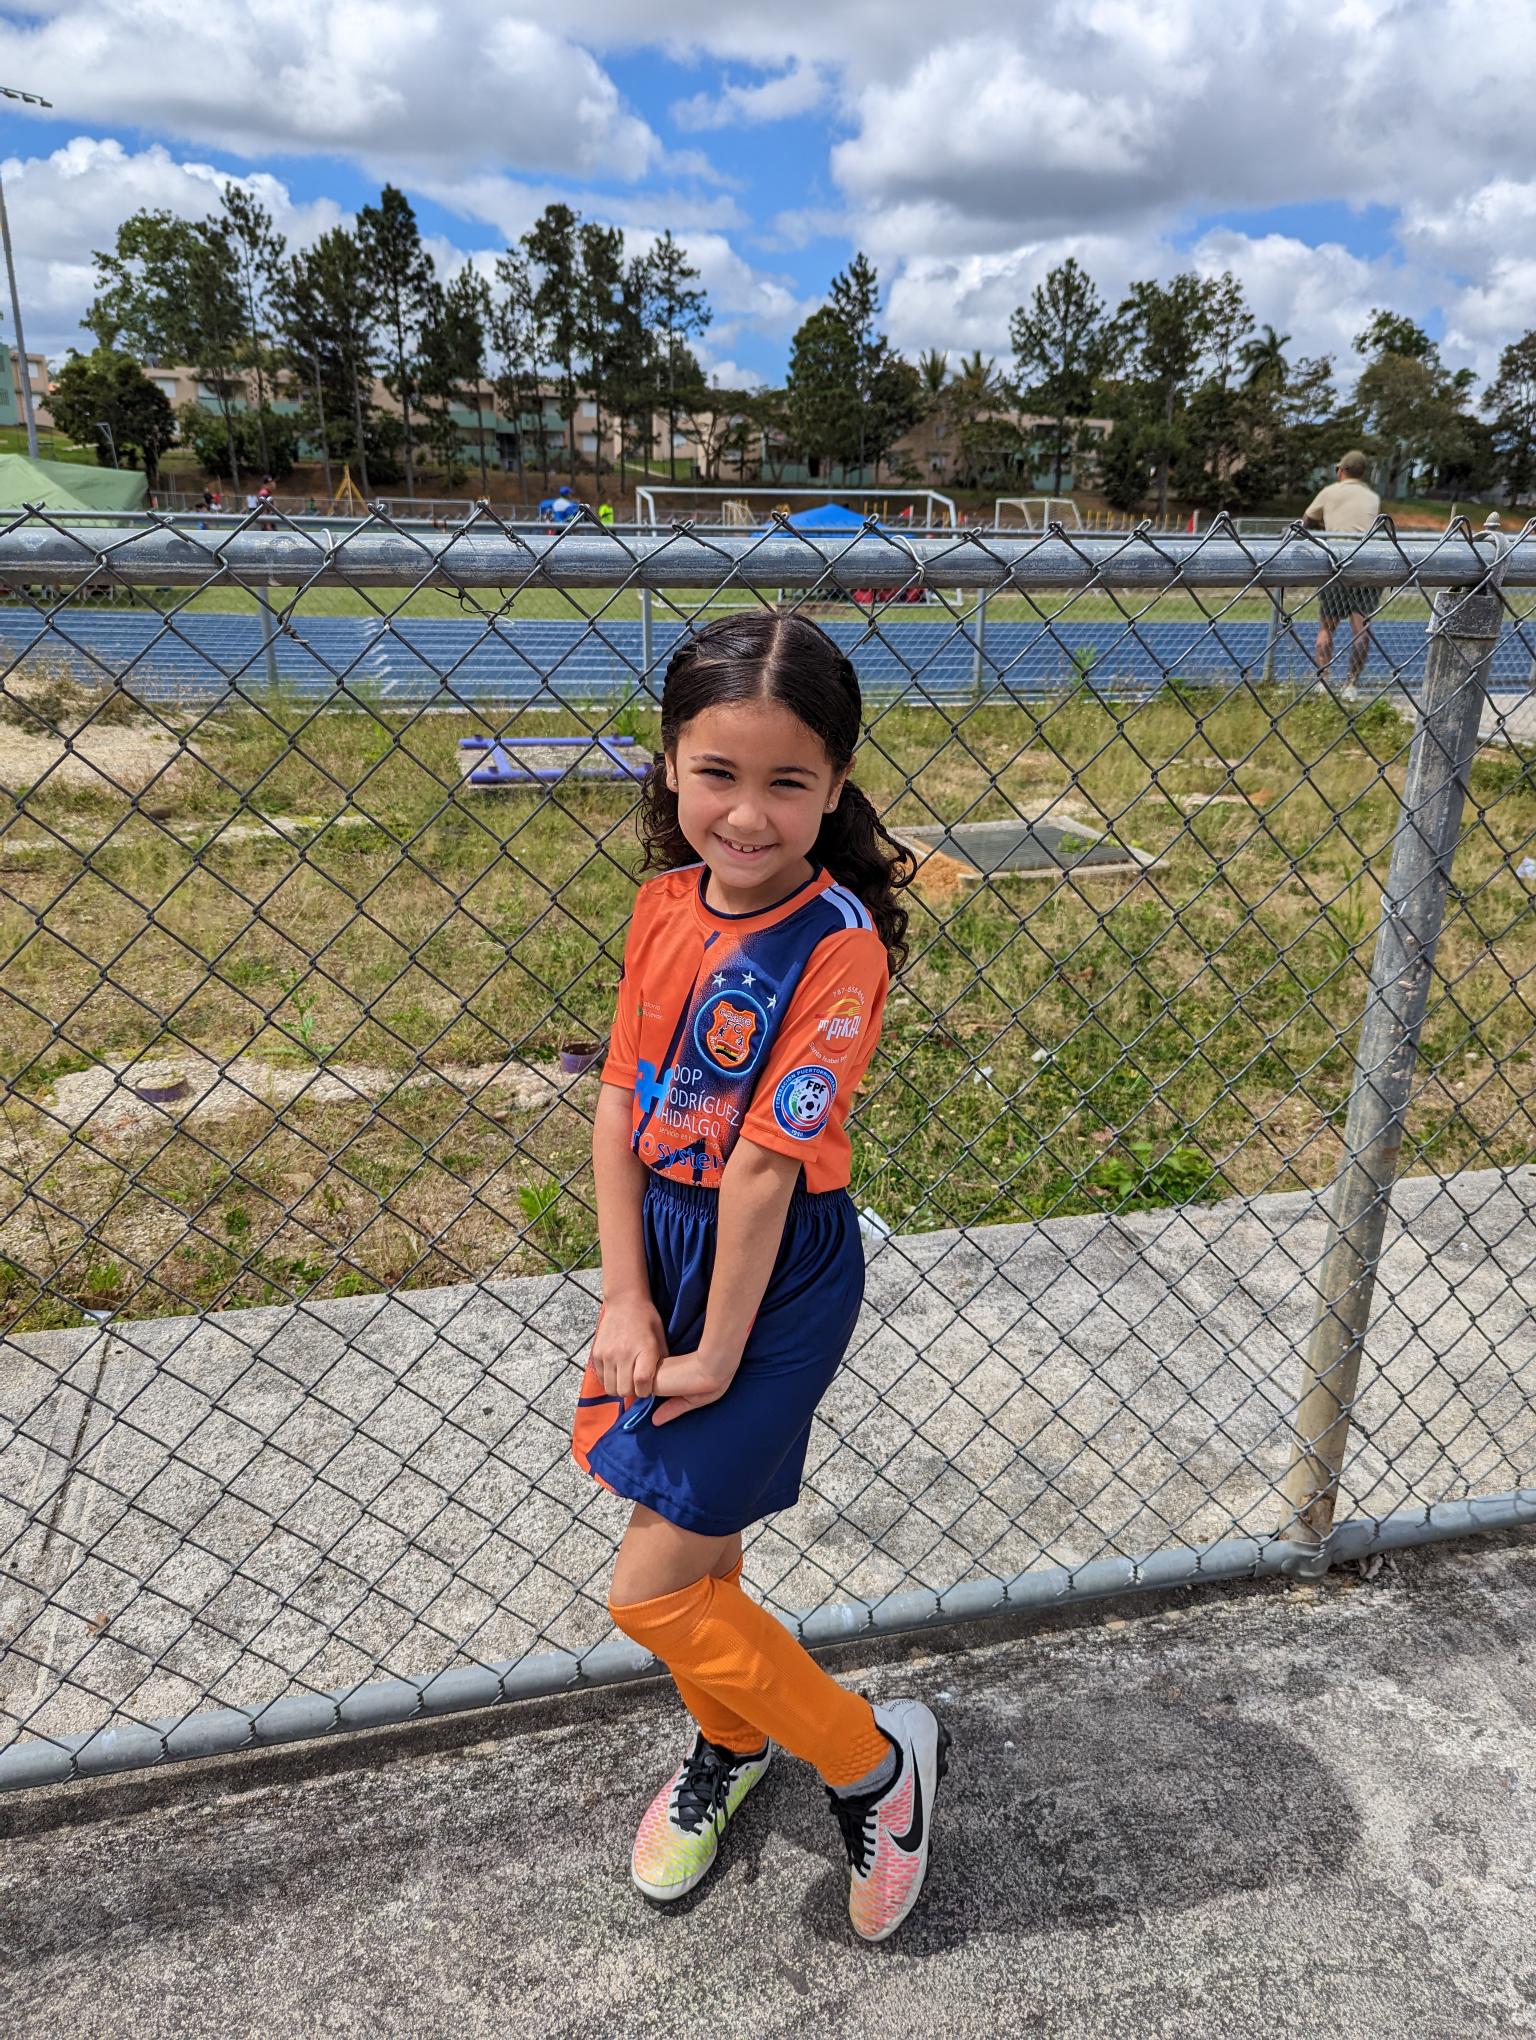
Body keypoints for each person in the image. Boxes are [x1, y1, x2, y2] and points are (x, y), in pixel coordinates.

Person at [573, 611, 948, 1943]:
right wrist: (627, 1295)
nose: (747, 812)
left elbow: (763, 1173)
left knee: (653, 1588)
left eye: (788, 781)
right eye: (718, 773)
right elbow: (619, 1100)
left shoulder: (838, 941)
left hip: (770, 1277)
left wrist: (718, 1348)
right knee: (705, 1558)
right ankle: (733, 1745)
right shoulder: (659, 905)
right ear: (669, 767)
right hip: (668, 1255)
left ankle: (872, 1767)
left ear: (836, 788)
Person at [1302, 450, 1382, 689]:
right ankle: (1351, 685)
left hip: (1336, 563)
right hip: (1367, 564)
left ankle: (1323, 680)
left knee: (1327, 628)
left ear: (1341, 471)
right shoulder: (1372, 497)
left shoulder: (1329, 492)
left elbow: (1305, 521)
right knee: (1361, 630)